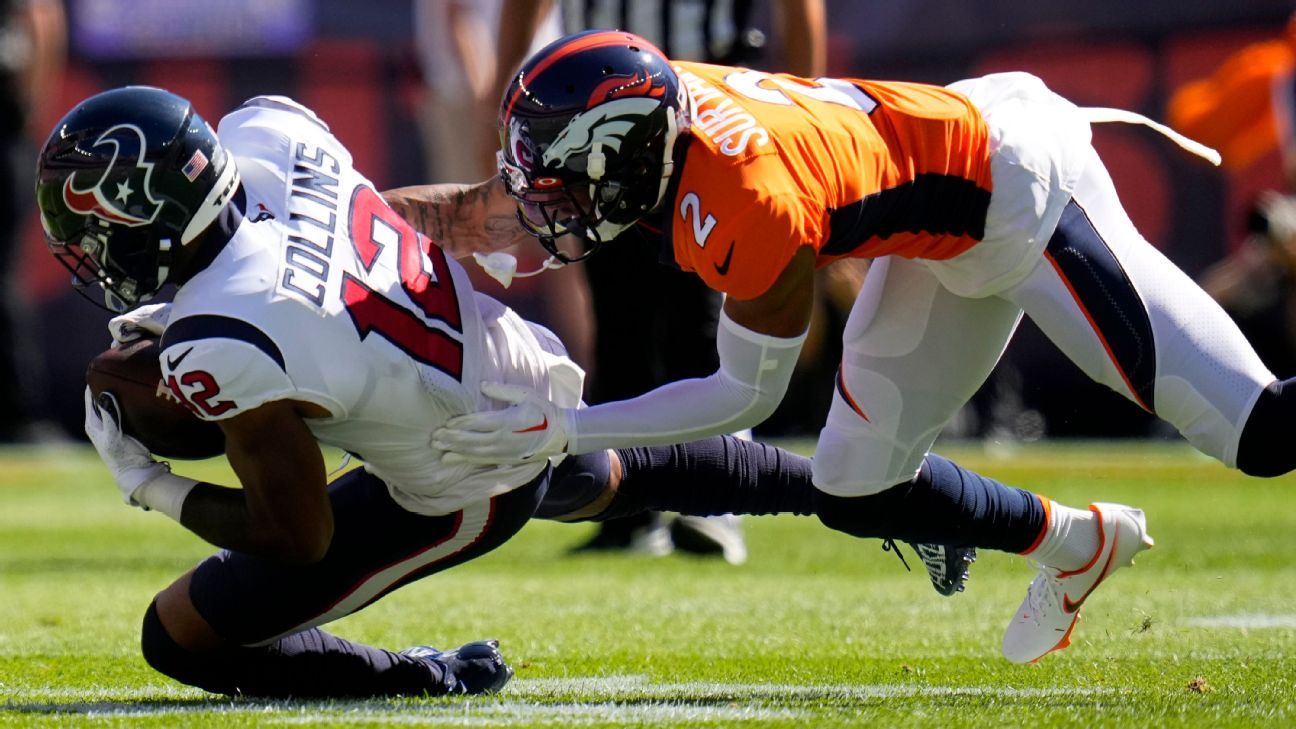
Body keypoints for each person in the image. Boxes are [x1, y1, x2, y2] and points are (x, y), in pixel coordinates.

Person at [36, 86, 997, 697]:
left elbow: (299, 534)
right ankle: (883, 495)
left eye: (86, 231)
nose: (83, 255)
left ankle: (423, 676)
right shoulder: (269, 134)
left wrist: (148, 480)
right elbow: (382, 220)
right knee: (599, 478)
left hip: (467, 473)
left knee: (180, 637)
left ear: (145, 217)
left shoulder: (225, 337)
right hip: (513, 358)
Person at [415, 30, 1291, 665]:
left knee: (1260, 435)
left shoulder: (749, 201)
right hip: (938, 227)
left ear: (627, 160)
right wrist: (333, 219)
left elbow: (743, 397)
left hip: (1022, 192)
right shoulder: (653, 110)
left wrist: (571, 428)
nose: (544, 206)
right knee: (854, 484)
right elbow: (479, 212)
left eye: (564, 186)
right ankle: (1077, 544)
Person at [483, 0, 830, 562]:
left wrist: (796, 108)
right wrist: (503, 104)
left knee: (699, 311)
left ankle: (714, 498)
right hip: (593, 108)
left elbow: (799, 8)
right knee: (619, 315)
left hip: (705, 108)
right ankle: (625, 505)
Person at [0, 0, 64, 442]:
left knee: (3, 277)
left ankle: (17, 411)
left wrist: (27, 112)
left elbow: (41, 18)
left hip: (2, 130)